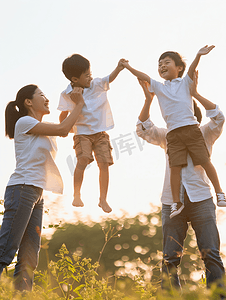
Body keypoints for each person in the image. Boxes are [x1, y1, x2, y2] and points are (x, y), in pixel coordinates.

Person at [136, 73, 225, 291]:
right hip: (171, 202)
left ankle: (218, 296)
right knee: (170, 258)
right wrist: (149, 100)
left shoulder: (204, 132)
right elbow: (142, 129)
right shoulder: (168, 135)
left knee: (211, 253)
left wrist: (195, 94)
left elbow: (219, 118)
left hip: (201, 199)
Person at [122, 46, 226, 218]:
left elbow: (191, 70)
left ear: (179, 68)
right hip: (173, 134)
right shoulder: (159, 87)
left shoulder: (186, 83)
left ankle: (220, 192)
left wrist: (198, 55)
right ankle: (176, 202)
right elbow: (144, 77)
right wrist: (128, 67)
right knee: (174, 167)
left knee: (204, 161)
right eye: (159, 64)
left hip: (191, 130)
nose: (162, 66)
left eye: (167, 62)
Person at [1, 85, 84, 291]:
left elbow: (66, 125)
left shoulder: (41, 127)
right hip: (22, 188)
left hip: (36, 193)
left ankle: (21, 296)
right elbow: (63, 128)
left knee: (30, 257)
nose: (46, 98)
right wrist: (80, 103)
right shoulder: (25, 122)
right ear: (28, 102)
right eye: (42, 95)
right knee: (5, 249)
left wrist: (72, 102)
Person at [58, 54, 125, 213]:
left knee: (104, 163)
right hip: (81, 133)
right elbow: (63, 113)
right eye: (86, 75)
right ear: (74, 79)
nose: (90, 77)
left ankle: (102, 199)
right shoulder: (67, 93)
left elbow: (110, 78)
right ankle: (76, 194)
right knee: (82, 159)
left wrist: (119, 67)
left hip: (100, 133)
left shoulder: (96, 84)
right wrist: (63, 127)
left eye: (90, 73)